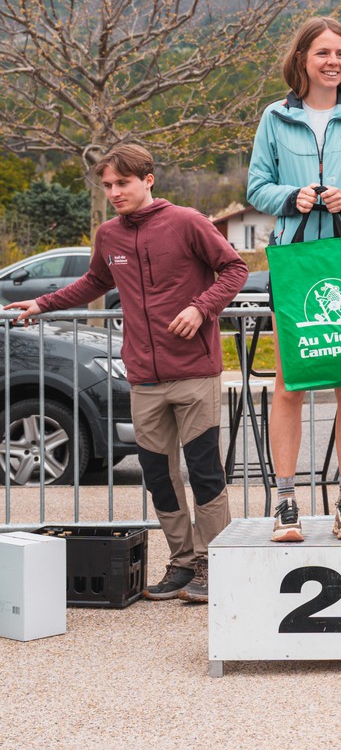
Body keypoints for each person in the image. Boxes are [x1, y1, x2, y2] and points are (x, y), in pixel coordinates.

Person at [3, 143, 248, 602]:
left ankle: (213, 564)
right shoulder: (109, 235)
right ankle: (182, 563)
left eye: (123, 183)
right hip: (143, 377)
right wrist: (43, 303)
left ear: (148, 179)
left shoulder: (188, 222)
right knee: (158, 475)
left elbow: (234, 269)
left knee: (204, 472)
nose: (114, 192)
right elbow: (94, 282)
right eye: (108, 185)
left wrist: (201, 308)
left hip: (194, 371)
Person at [248, 16, 341, 543]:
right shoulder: (274, 117)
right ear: (302, 60)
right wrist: (293, 196)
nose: (333, 62)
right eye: (323, 53)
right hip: (295, 260)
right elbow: (256, 187)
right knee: (290, 383)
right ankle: (286, 502)